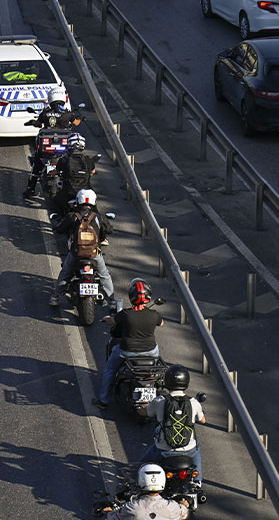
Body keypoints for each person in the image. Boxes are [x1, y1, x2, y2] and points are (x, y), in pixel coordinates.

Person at [94, 278, 163, 410]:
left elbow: (113, 321)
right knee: (155, 355)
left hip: (127, 351)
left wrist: (106, 319)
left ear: (131, 297)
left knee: (110, 369)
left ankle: (103, 400)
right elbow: (162, 323)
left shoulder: (125, 315)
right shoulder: (154, 314)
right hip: (150, 351)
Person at [51, 189, 113, 308]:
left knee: (65, 273)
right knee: (104, 275)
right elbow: (109, 229)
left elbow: (59, 229)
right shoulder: (98, 217)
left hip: (76, 254)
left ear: (78, 201)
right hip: (94, 254)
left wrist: (56, 222)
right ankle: (112, 301)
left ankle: (55, 297)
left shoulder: (72, 216)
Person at [142, 366, 207, 475]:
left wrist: (140, 408)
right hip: (188, 451)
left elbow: (146, 412)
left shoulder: (159, 401)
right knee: (196, 448)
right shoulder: (193, 402)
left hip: (163, 451)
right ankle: (197, 480)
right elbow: (203, 420)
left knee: (141, 464)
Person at [22, 87, 82, 197]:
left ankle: (30, 188)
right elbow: (76, 123)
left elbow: (39, 124)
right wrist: (81, 118)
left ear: (50, 99)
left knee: (37, 164)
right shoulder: (68, 114)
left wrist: (33, 122)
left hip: (47, 148)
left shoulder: (45, 113)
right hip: (62, 148)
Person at [100, 464, 190, 520]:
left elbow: (114, 517)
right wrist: (184, 505)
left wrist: (108, 512)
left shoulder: (131, 507)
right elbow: (183, 514)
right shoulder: (172, 507)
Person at [54, 132, 97, 212]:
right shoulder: (88, 160)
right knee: (94, 209)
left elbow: (56, 171)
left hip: (69, 192)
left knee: (56, 203)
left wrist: (50, 173)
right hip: (85, 192)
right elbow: (93, 171)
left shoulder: (64, 160)